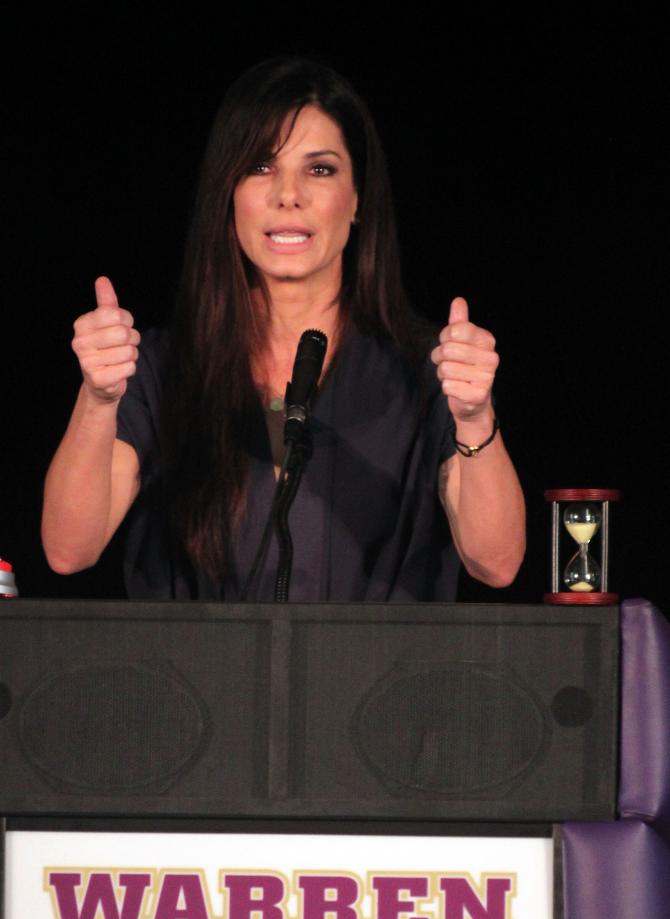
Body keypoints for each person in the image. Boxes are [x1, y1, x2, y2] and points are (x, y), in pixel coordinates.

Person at [42, 57, 525, 601]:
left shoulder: (428, 369)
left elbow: (497, 563)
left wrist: (474, 416)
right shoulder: (161, 367)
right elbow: (68, 550)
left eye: (319, 169)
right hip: (198, 684)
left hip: (375, 684)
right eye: (260, 167)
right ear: (227, 194)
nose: (288, 194)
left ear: (359, 198)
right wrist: (99, 399)